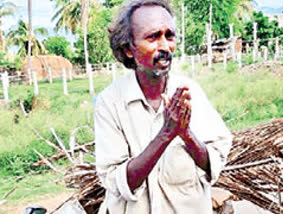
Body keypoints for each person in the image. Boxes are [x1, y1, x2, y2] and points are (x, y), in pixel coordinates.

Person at [95, 0, 233, 213]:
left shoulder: (190, 93)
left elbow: (214, 162)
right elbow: (117, 181)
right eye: (153, 37)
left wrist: (186, 134)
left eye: (169, 36)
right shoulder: (110, 102)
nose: (165, 46)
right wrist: (166, 134)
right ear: (129, 49)